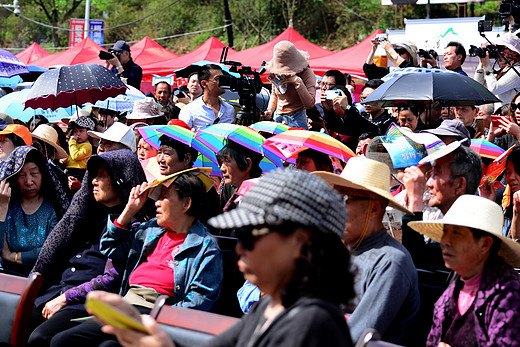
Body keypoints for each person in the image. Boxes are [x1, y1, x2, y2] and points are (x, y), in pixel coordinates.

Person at [89, 168, 356, 347]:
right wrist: (149, 332)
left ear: (298, 243)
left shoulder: (311, 323)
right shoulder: (273, 306)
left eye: (253, 236)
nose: (240, 248)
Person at [49, 169, 223, 346]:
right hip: (125, 306)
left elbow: (199, 301)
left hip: (156, 316)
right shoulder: (151, 230)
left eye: (164, 196)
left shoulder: (205, 247)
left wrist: (156, 321)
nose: (156, 203)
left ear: (186, 204)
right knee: (61, 341)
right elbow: (110, 247)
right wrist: (130, 210)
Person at [28, 150, 151, 347]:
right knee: (13, 322)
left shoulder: (132, 225)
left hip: (87, 301)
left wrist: (65, 299)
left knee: (40, 338)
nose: (94, 181)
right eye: (94, 175)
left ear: (120, 180)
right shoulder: (86, 215)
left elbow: (111, 278)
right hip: (58, 290)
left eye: (103, 175)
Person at [315, 157, 419, 345]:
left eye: (344, 199)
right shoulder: (339, 251)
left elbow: (353, 337)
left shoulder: (391, 261)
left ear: (374, 208)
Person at [408, 195, 520, 347]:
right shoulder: (454, 290)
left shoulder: (508, 292)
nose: (445, 241)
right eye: (445, 232)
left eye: (456, 233)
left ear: (485, 244)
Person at [401, 144, 483, 271]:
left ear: (460, 185)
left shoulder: (468, 236)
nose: (428, 183)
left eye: (436, 175)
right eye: (431, 174)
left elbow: (413, 262)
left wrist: (416, 200)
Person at [0, 146, 68, 276]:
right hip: (5, 276)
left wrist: (11, 256)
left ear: (43, 175)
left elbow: (49, 251)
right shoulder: (7, 203)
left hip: (38, 278)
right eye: (21, 175)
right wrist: (2, 208)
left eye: (34, 174)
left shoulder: (53, 208)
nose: (29, 182)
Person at [263, 41, 316, 129]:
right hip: (278, 118)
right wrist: (270, 110)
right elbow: (274, 94)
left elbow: (310, 104)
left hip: (297, 119)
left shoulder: (307, 73)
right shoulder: (277, 73)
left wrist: (297, 82)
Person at [178, 65, 236, 131]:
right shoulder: (189, 110)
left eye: (223, 79)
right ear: (204, 83)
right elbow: (184, 137)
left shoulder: (229, 109)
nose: (223, 82)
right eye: (217, 79)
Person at [474, 31, 520, 104]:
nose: (497, 51)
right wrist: (481, 65)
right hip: (499, 113)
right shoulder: (503, 71)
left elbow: (494, 89)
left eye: (500, 48)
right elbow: (477, 88)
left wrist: (487, 66)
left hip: (510, 114)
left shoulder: (517, 70)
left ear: (514, 52)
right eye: (496, 48)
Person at [218, 140, 262, 212]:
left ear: (247, 164)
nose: (222, 168)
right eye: (222, 161)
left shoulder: (262, 196)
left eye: (227, 161)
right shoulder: (228, 188)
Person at [63, 116, 95, 181]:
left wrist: (71, 142)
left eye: (81, 131)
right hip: (69, 170)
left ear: (89, 132)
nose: (77, 134)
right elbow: (72, 156)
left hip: (79, 172)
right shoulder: (75, 144)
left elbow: (76, 156)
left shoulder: (87, 146)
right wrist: (66, 160)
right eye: (75, 131)